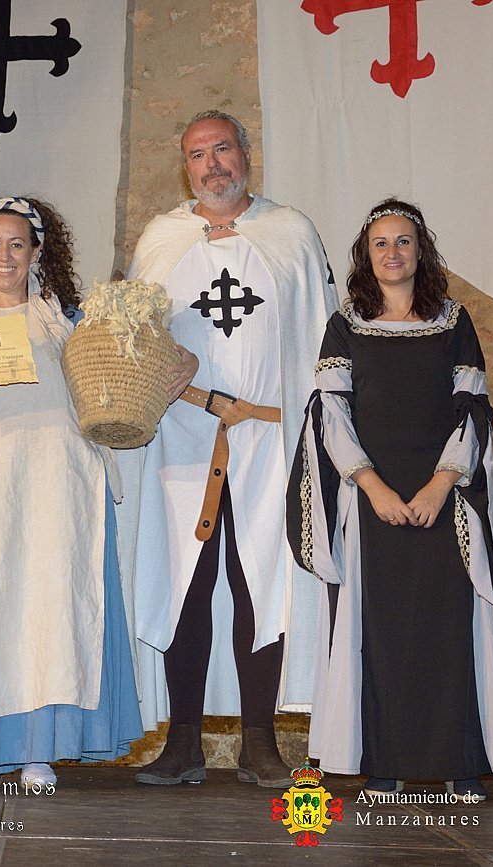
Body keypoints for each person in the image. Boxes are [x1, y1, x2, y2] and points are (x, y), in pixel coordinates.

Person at [123, 110, 337, 787]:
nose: (212, 165)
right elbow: (130, 339)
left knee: (261, 580)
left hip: (269, 436)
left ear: (246, 153)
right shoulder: (162, 239)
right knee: (185, 582)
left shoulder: (290, 233)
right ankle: (183, 740)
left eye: (222, 149)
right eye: (198, 154)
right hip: (182, 434)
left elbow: (320, 334)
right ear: (184, 166)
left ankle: (259, 741)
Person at [0, 197, 145, 790]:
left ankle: (40, 751)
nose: (4, 255)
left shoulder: (65, 320)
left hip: (60, 485)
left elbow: (105, 385)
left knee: (51, 610)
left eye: (17, 244)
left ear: (37, 252)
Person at [287, 199, 493, 800]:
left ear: (421, 250)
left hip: (444, 498)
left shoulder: (454, 321)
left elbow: (473, 409)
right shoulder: (346, 325)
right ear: (366, 254)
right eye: (381, 243)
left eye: (404, 241)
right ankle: (382, 762)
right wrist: (372, 486)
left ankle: (459, 762)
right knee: (379, 631)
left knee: (448, 628)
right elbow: (330, 413)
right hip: (374, 499)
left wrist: (441, 484)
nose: (393, 252)